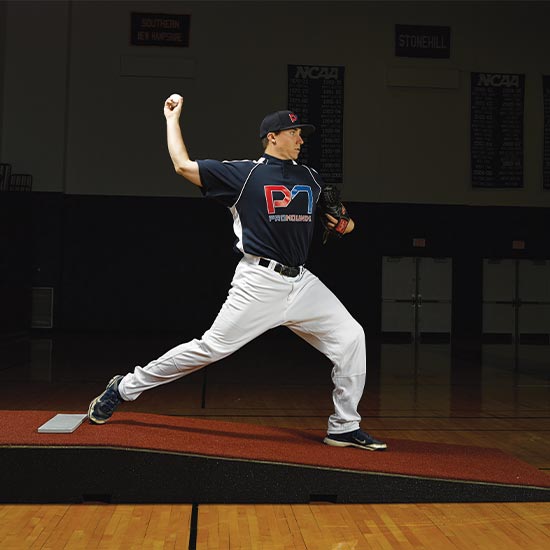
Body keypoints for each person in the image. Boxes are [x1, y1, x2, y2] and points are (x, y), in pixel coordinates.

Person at [87, 93, 387, 451]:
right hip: (259, 281)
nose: (301, 139)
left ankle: (343, 426)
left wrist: (343, 225)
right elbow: (182, 165)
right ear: (272, 136)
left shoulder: (311, 177)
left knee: (352, 337)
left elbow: (345, 224)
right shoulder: (245, 174)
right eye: (295, 132)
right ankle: (124, 387)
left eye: (301, 134)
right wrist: (172, 120)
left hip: (302, 283)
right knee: (210, 349)